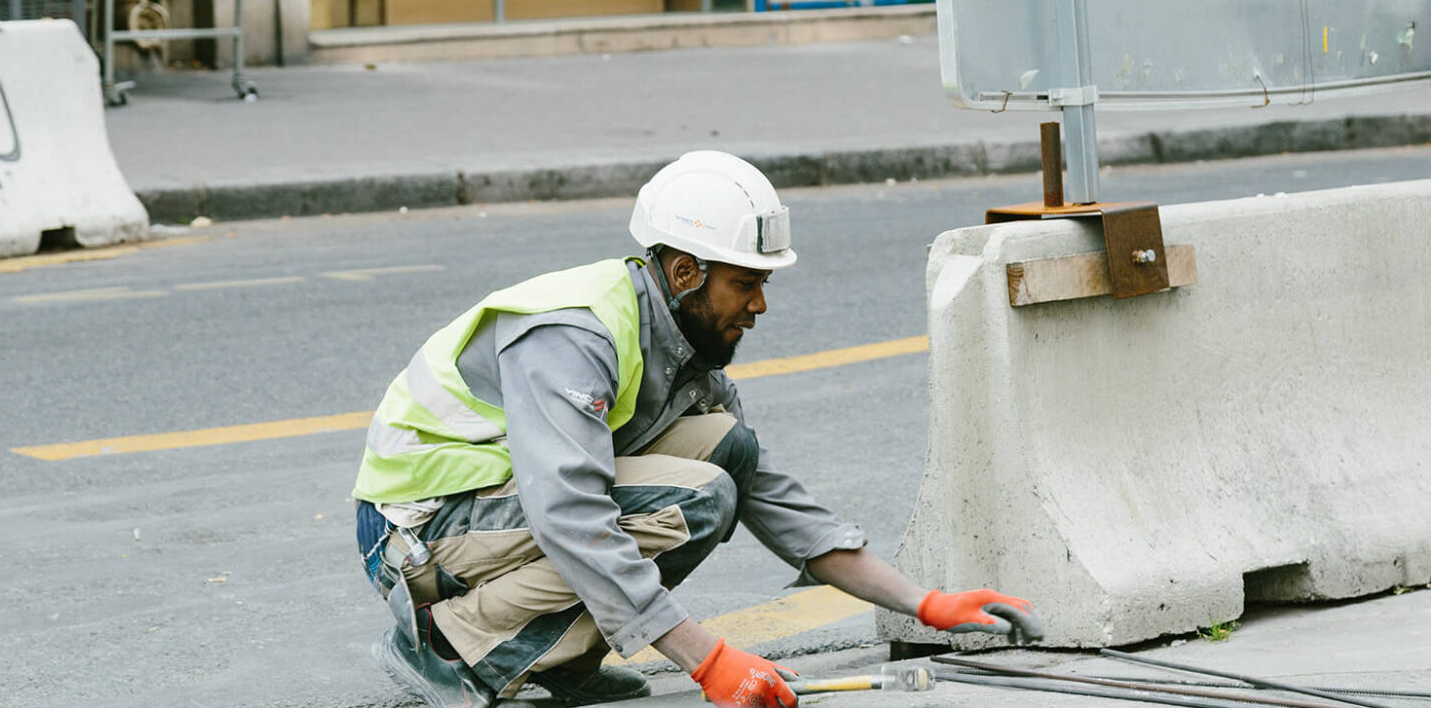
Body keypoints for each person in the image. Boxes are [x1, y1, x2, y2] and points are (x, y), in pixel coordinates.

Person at [351, 151, 1041, 708]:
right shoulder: (576, 334)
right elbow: (570, 515)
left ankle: (560, 658)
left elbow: (774, 497)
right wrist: (707, 661)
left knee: (726, 455)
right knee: (693, 499)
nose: (761, 304)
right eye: (746, 282)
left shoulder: (681, 345)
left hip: (491, 511)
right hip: (417, 533)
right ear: (685, 272)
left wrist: (925, 601)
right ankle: (452, 646)